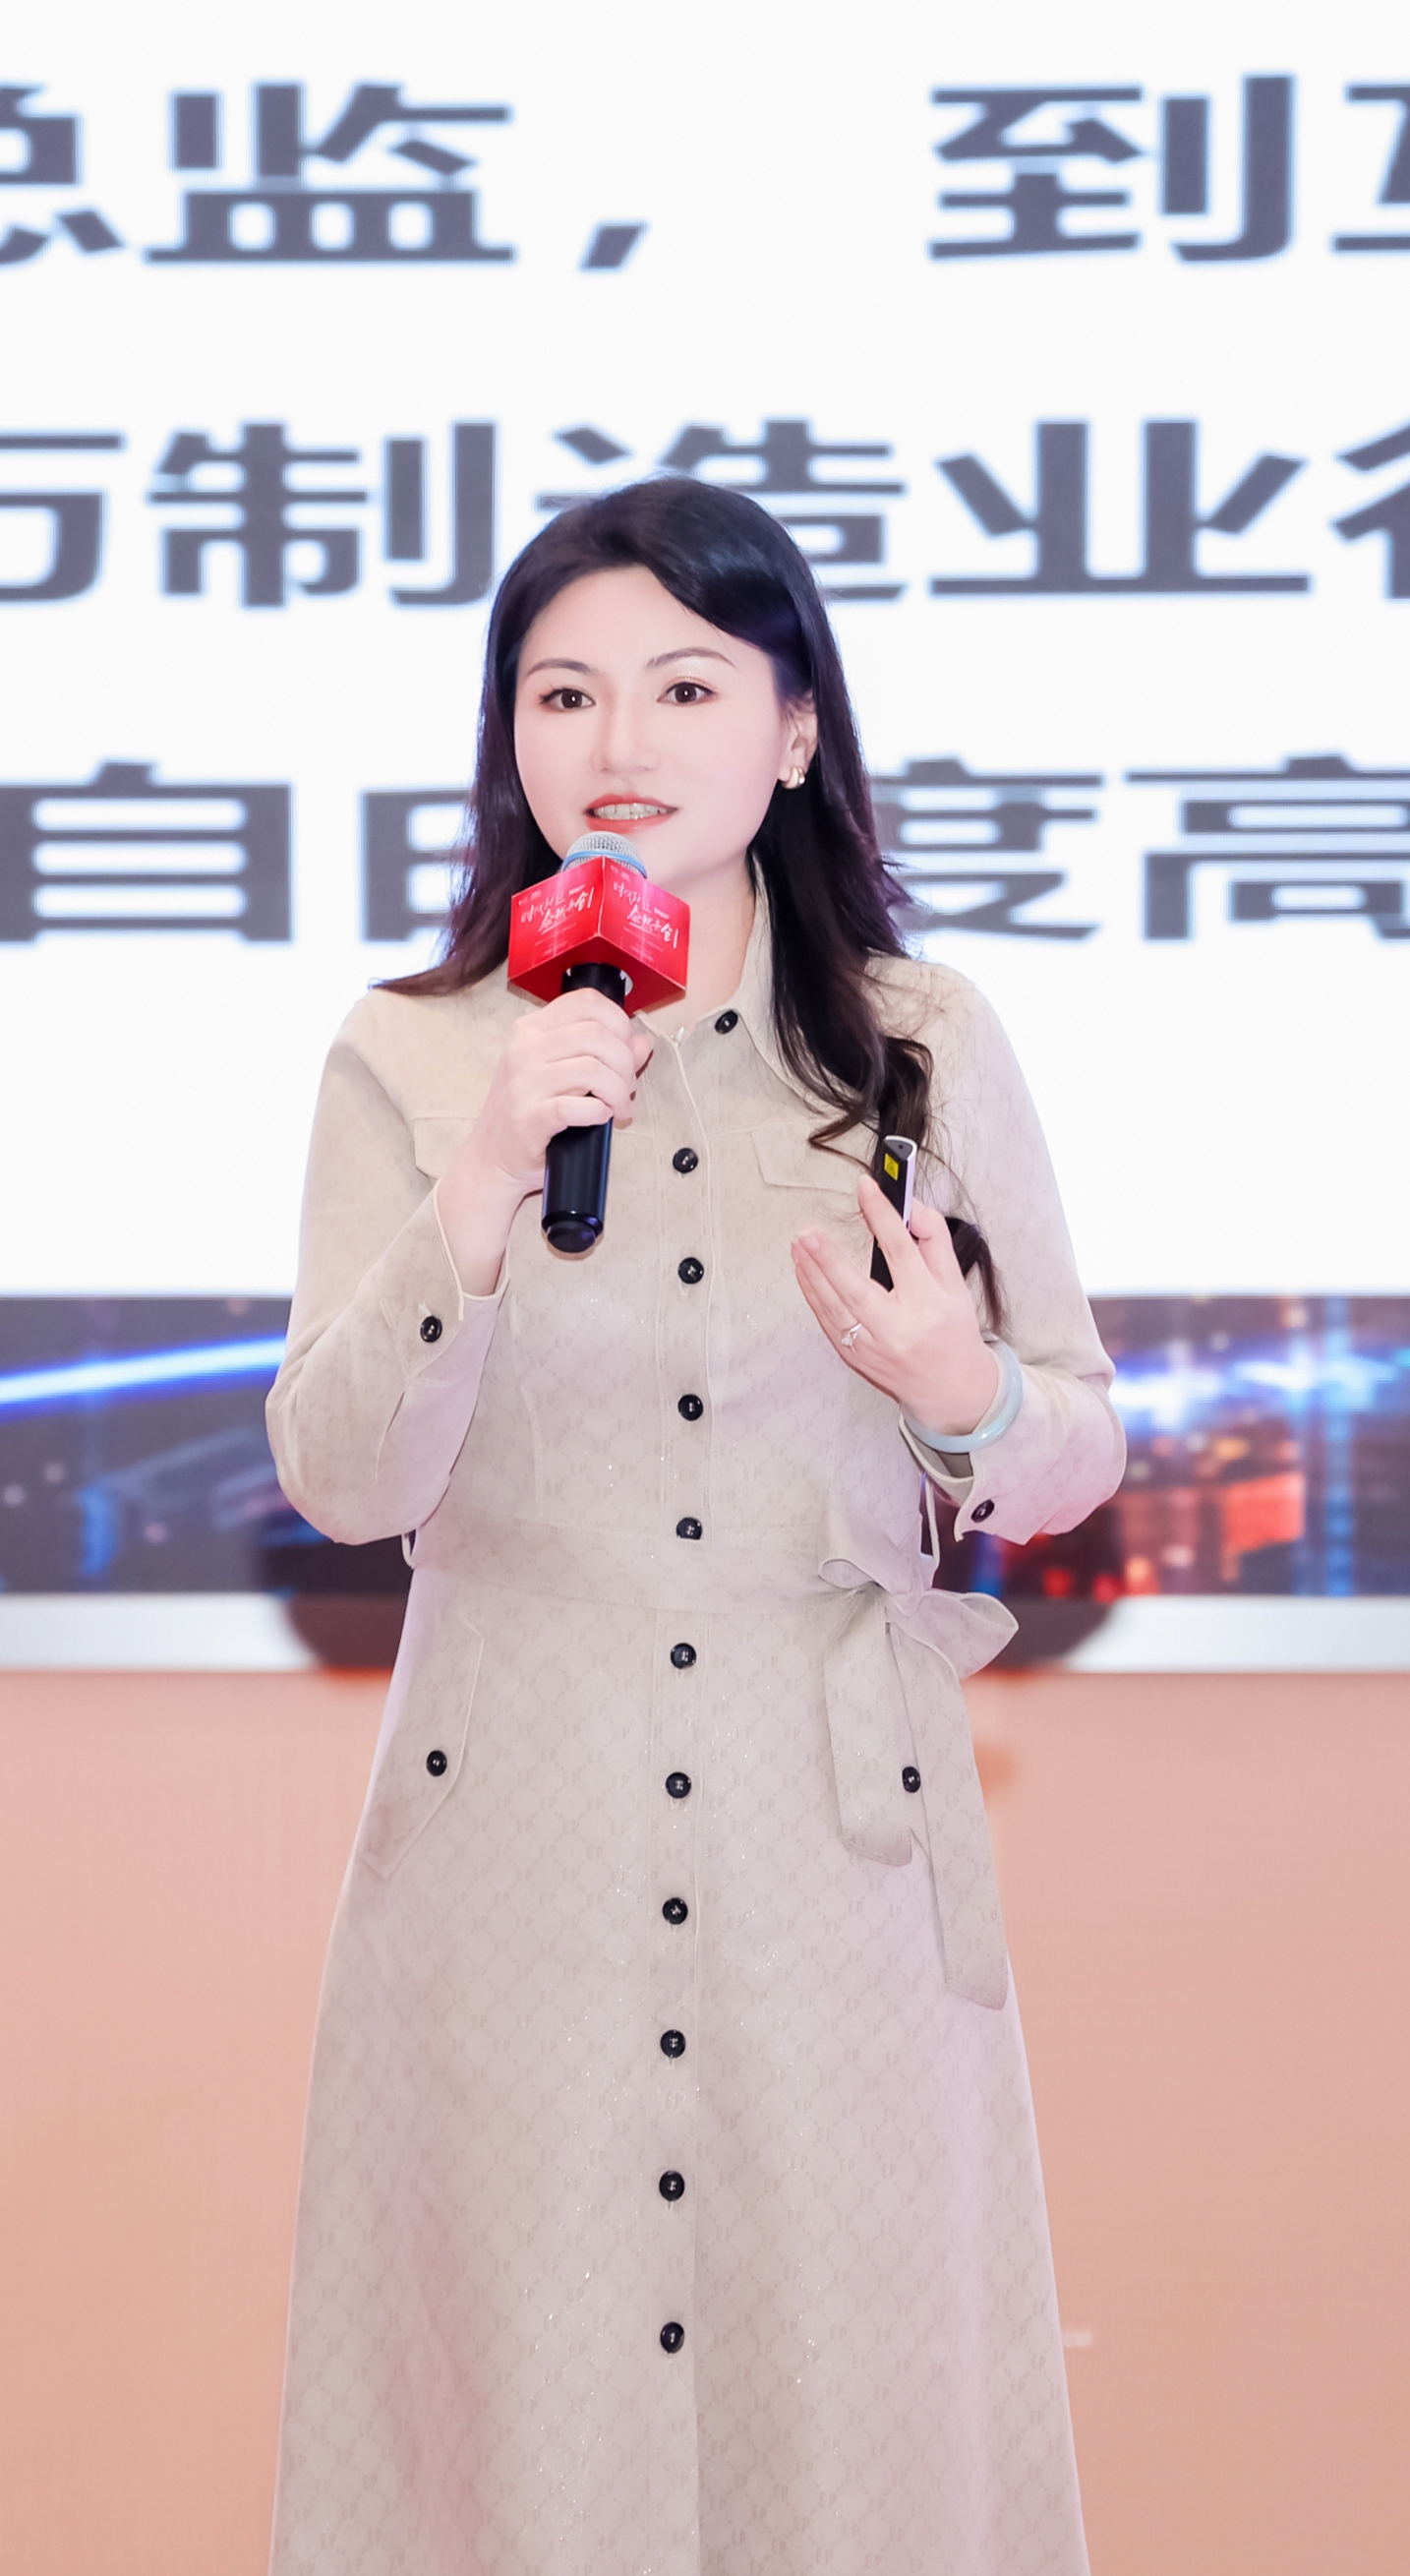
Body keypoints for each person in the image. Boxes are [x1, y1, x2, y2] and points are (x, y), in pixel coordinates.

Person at [265, 477, 1125, 2576]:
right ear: (510, 737)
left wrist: (963, 1394)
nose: (618, 743)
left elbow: (1073, 1447)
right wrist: (482, 1184)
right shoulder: (418, 1051)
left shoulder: (920, 1047)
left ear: (796, 727)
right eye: (562, 693)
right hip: (512, 1845)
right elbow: (343, 1479)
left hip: (830, 1848)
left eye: (682, 685)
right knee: (518, 2442)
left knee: (849, 2434)